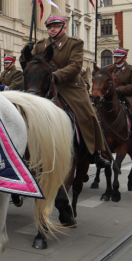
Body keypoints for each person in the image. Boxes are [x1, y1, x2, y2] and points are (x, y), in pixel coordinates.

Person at [21, 15, 108, 167]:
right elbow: (30, 64)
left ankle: (94, 152)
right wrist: (24, 54)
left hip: (69, 85)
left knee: (87, 114)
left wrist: (54, 76)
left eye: (55, 26)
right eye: (49, 27)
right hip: (44, 85)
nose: (52, 29)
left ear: (64, 27)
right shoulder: (41, 45)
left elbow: (75, 65)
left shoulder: (75, 43)